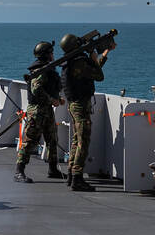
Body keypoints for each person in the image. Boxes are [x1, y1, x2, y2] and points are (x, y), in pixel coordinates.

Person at [60, 32, 110, 192]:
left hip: (75, 105)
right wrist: (93, 56)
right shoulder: (78, 62)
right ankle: (77, 178)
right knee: (83, 141)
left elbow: (91, 71)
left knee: (77, 140)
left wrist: (104, 54)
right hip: (80, 106)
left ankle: (71, 174)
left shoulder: (72, 62)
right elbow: (99, 76)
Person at [14, 41, 64, 183]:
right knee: (30, 141)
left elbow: (47, 88)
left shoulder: (46, 69)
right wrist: (52, 100)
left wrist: (56, 98)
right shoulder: (40, 71)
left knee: (52, 139)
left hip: (46, 109)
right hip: (37, 111)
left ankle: (53, 169)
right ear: (46, 55)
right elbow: (36, 89)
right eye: (51, 52)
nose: (53, 55)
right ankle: (19, 171)